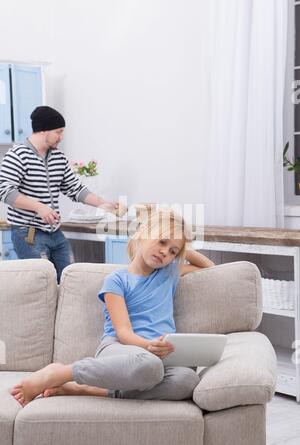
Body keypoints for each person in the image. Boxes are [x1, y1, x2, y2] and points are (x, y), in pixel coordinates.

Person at [11, 209, 215, 406]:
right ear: (143, 232)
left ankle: (91, 390)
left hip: (157, 357)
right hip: (120, 348)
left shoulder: (169, 273)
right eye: (162, 241)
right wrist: (147, 347)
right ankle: (62, 373)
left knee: (188, 380)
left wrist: (181, 247)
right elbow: (123, 332)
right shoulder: (116, 281)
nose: (164, 252)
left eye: (172, 251)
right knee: (149, 367)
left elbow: (210, 269)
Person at [0, 106, 121, 282]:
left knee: (70, 279)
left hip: (55, 233)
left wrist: (103, 204)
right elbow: (5, 190)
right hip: (28, 233)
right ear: (43, 130)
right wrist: (39, 207)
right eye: (58, 132)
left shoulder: (58, 157)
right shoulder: (17, 155)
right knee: (43, 284)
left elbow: (75, 188)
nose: (61, 137)